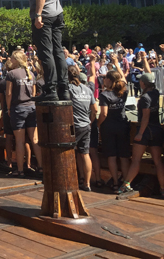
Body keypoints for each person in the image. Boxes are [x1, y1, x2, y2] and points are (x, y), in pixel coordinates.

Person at [118, 52, 164, 196]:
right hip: (157, 129)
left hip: (146, 131)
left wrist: (140, 133)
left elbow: (145, 117)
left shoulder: (144, 98)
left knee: (136, 160)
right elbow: (149, 74)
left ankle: (126, 184)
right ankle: (163, 188)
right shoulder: (156, 93)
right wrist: (144, 59)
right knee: (157, 161)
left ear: (143, 83)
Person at [6, 50, 42, 177]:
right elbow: (33, 93)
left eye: (12, 58)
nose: (10, 60)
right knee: (35, 139)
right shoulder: (30, 73)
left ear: (17, 60)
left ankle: (20, 169)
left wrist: (9, 108)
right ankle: (41, 167)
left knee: (19, 141)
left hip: (18, 107)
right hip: (31, 107)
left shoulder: (11, 74)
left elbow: (9, 93)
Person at [98, 56, 130, 191]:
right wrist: (117, 64)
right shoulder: (124, 91)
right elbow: (123, 80)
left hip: (109, 127)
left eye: (105, 78)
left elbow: (104, 113)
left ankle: (115, 182)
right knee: (123, 156)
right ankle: (126, 183)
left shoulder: (104, 95)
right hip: (122, 125)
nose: (103, 79)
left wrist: (97, 124)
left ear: (109, 80)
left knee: (111, 155)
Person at [67, 66, 97, 192]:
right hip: (86, 125)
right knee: (85, 153)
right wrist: (90, 121)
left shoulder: (68, 89)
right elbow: (95, 109)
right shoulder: (87, 89)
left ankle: (71, 180)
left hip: (73, 126)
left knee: (69, 153)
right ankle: (87, 183)